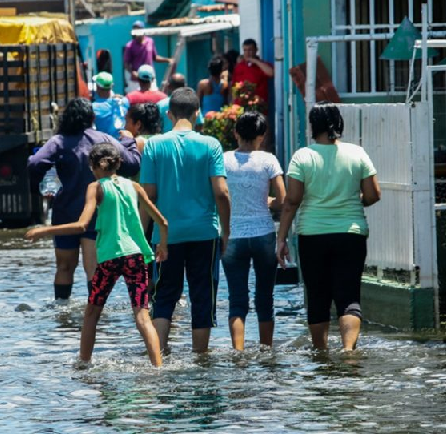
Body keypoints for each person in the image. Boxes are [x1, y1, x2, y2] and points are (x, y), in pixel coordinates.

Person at [26, 143, 169, 366]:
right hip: (136, 257)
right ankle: (158, 367)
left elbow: (82, 225)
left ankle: (84, 363)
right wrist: (163, 246)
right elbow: (163, 222)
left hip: (110, 258)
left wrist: (44, 230)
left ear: (93, 167)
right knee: (142, 315)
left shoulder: (95, 187)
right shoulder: (134, 186)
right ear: (119, 163)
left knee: (92, 311)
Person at [277, 104, 381, 351]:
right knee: (348, 297)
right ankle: (348, 350)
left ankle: (321, 353)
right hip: (350, 233)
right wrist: (358, 200)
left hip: (312, 235)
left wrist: (281, 238)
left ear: (314, 127)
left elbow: (291, 201)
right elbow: (374, 194)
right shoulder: (357, 154)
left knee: (317, 296)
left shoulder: (303, 156)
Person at [140, 87, 231, 353]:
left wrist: (144, 236)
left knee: (164, 295)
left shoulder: (154, 145)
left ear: (169, 114)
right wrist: (226, 231)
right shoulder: (210, 144)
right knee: (202, 295)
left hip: (165, 236)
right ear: (197, 112)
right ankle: (201, 358)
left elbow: (149, 195)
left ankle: (159, 357)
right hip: (204, 233)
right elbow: (222, 192)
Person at [28, 98, 141, 301]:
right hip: (98, 215)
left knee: (64, 267)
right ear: (92, 118)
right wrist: (129, 141)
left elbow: (35, 163)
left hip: (65, 213)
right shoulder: (104, 139)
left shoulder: (59, 141)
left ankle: (62, 318)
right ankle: (96, 317)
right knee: (94, 270)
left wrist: (36, 190)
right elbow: (132, 164)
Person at [221, 113, 286, 351]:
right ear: (262, 135)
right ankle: (266, 349)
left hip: (233, 235)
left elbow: (218, 194)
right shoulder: (268, 160)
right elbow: (283, 199)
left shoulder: (224, 159)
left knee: (237, 300)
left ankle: (238, 352)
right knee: (265, 299)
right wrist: (268, 202)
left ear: (236, 133)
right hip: (263, 234)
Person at [123, 20, 172, 93]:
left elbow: (155, 57)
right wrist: (132, 72)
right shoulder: (129, 46)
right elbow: (126, 63)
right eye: (135, 29)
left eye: (138, 29)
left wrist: (168, 60)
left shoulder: (150, 41)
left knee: (152, 96)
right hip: (137, 80)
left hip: (150, 77)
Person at [232, 39, 273, 104]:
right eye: (245, 50)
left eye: (250, 50)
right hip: (241, 106)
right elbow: (234, 87)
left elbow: (271, 73)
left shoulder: (262, 65)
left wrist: (255, 61)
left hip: (257, 106)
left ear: (256, 50)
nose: (247, 53)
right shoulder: (239, 67)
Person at [91, 72, 128, 137]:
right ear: (112, 86)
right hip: (123, 143)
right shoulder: (125, 101)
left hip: (105, 145)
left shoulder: (93, 107)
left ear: (97, 87)